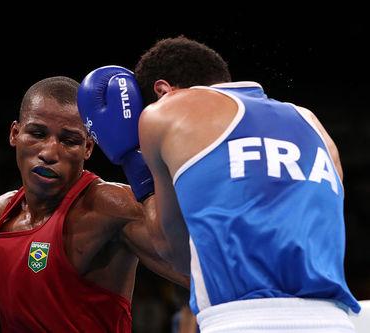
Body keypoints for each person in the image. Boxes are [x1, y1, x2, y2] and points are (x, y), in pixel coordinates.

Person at [77, 36, 361, 332]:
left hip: (241, 319)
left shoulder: (164, 112)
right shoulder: (312, 123)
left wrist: (132, 162)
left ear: (163, 91)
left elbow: (172, 249)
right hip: (334, 319)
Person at [0, 76, 189, 332]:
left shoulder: (107, 205)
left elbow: (192, 269)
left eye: (68, 140)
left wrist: (146, 172)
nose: (49, 152)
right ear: (15, 133)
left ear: (88, 148)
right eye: (38, 134)